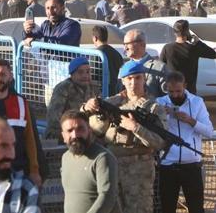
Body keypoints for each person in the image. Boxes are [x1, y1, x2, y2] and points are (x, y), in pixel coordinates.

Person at [82, 61, 167, 213]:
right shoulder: (112, 102)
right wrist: (86, 106)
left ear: (144, 79)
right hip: (111, 164)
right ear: (123, 81)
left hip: (139, 168)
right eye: (129, 79)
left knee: (139, 209)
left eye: (138, 78)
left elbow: (160, 142)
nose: (133, 82)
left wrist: (135, 128)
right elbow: (85, 122)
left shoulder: (154, 108)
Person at [156, 71, 212, 213]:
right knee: (167, 208)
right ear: (166, 88)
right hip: (167, 165)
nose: (175, 95)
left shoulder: (197, 102)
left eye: (178, 91)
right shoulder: (159, 103)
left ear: (185, 86)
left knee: (196, 208)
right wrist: (163, 115)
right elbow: (154, 133)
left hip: (192, 165)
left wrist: (190, 121)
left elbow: (209, 131)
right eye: (171, 91)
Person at [59, 110, 120, 213]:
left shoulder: (102, 158)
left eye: (80, 129)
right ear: (63, 136)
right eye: (70, 131)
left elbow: (108, 196)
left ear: (89, 130)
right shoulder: (65, 158)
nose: (75, 135)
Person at [160, 19, 216, 95]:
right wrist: (198, 42)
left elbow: (160, 67)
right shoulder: (194, 48)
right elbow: (213, 54)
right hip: (189, 91)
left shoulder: (167, 48)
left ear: (175, 33)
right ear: (187, 32)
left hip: (172, 91)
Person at [44, 58, 95, 139]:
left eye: (88, 72)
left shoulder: (91, 87)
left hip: (82, 131)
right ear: (72, 74)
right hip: (61, 134)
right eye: (80, 72)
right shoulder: (63, 88)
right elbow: (53, 119)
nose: (85, 75)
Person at [123, 29, 168, 97]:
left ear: (142, 44)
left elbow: (167, 98)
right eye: (124, 44)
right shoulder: (125, 67)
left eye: (128, 44)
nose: (125, 48)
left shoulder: (159, 68)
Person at [91, 25, 123, 94]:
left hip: (101, 93)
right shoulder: (116, 53)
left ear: (95, 38)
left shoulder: (96, 54)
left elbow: (92, 76)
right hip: (115, 92)